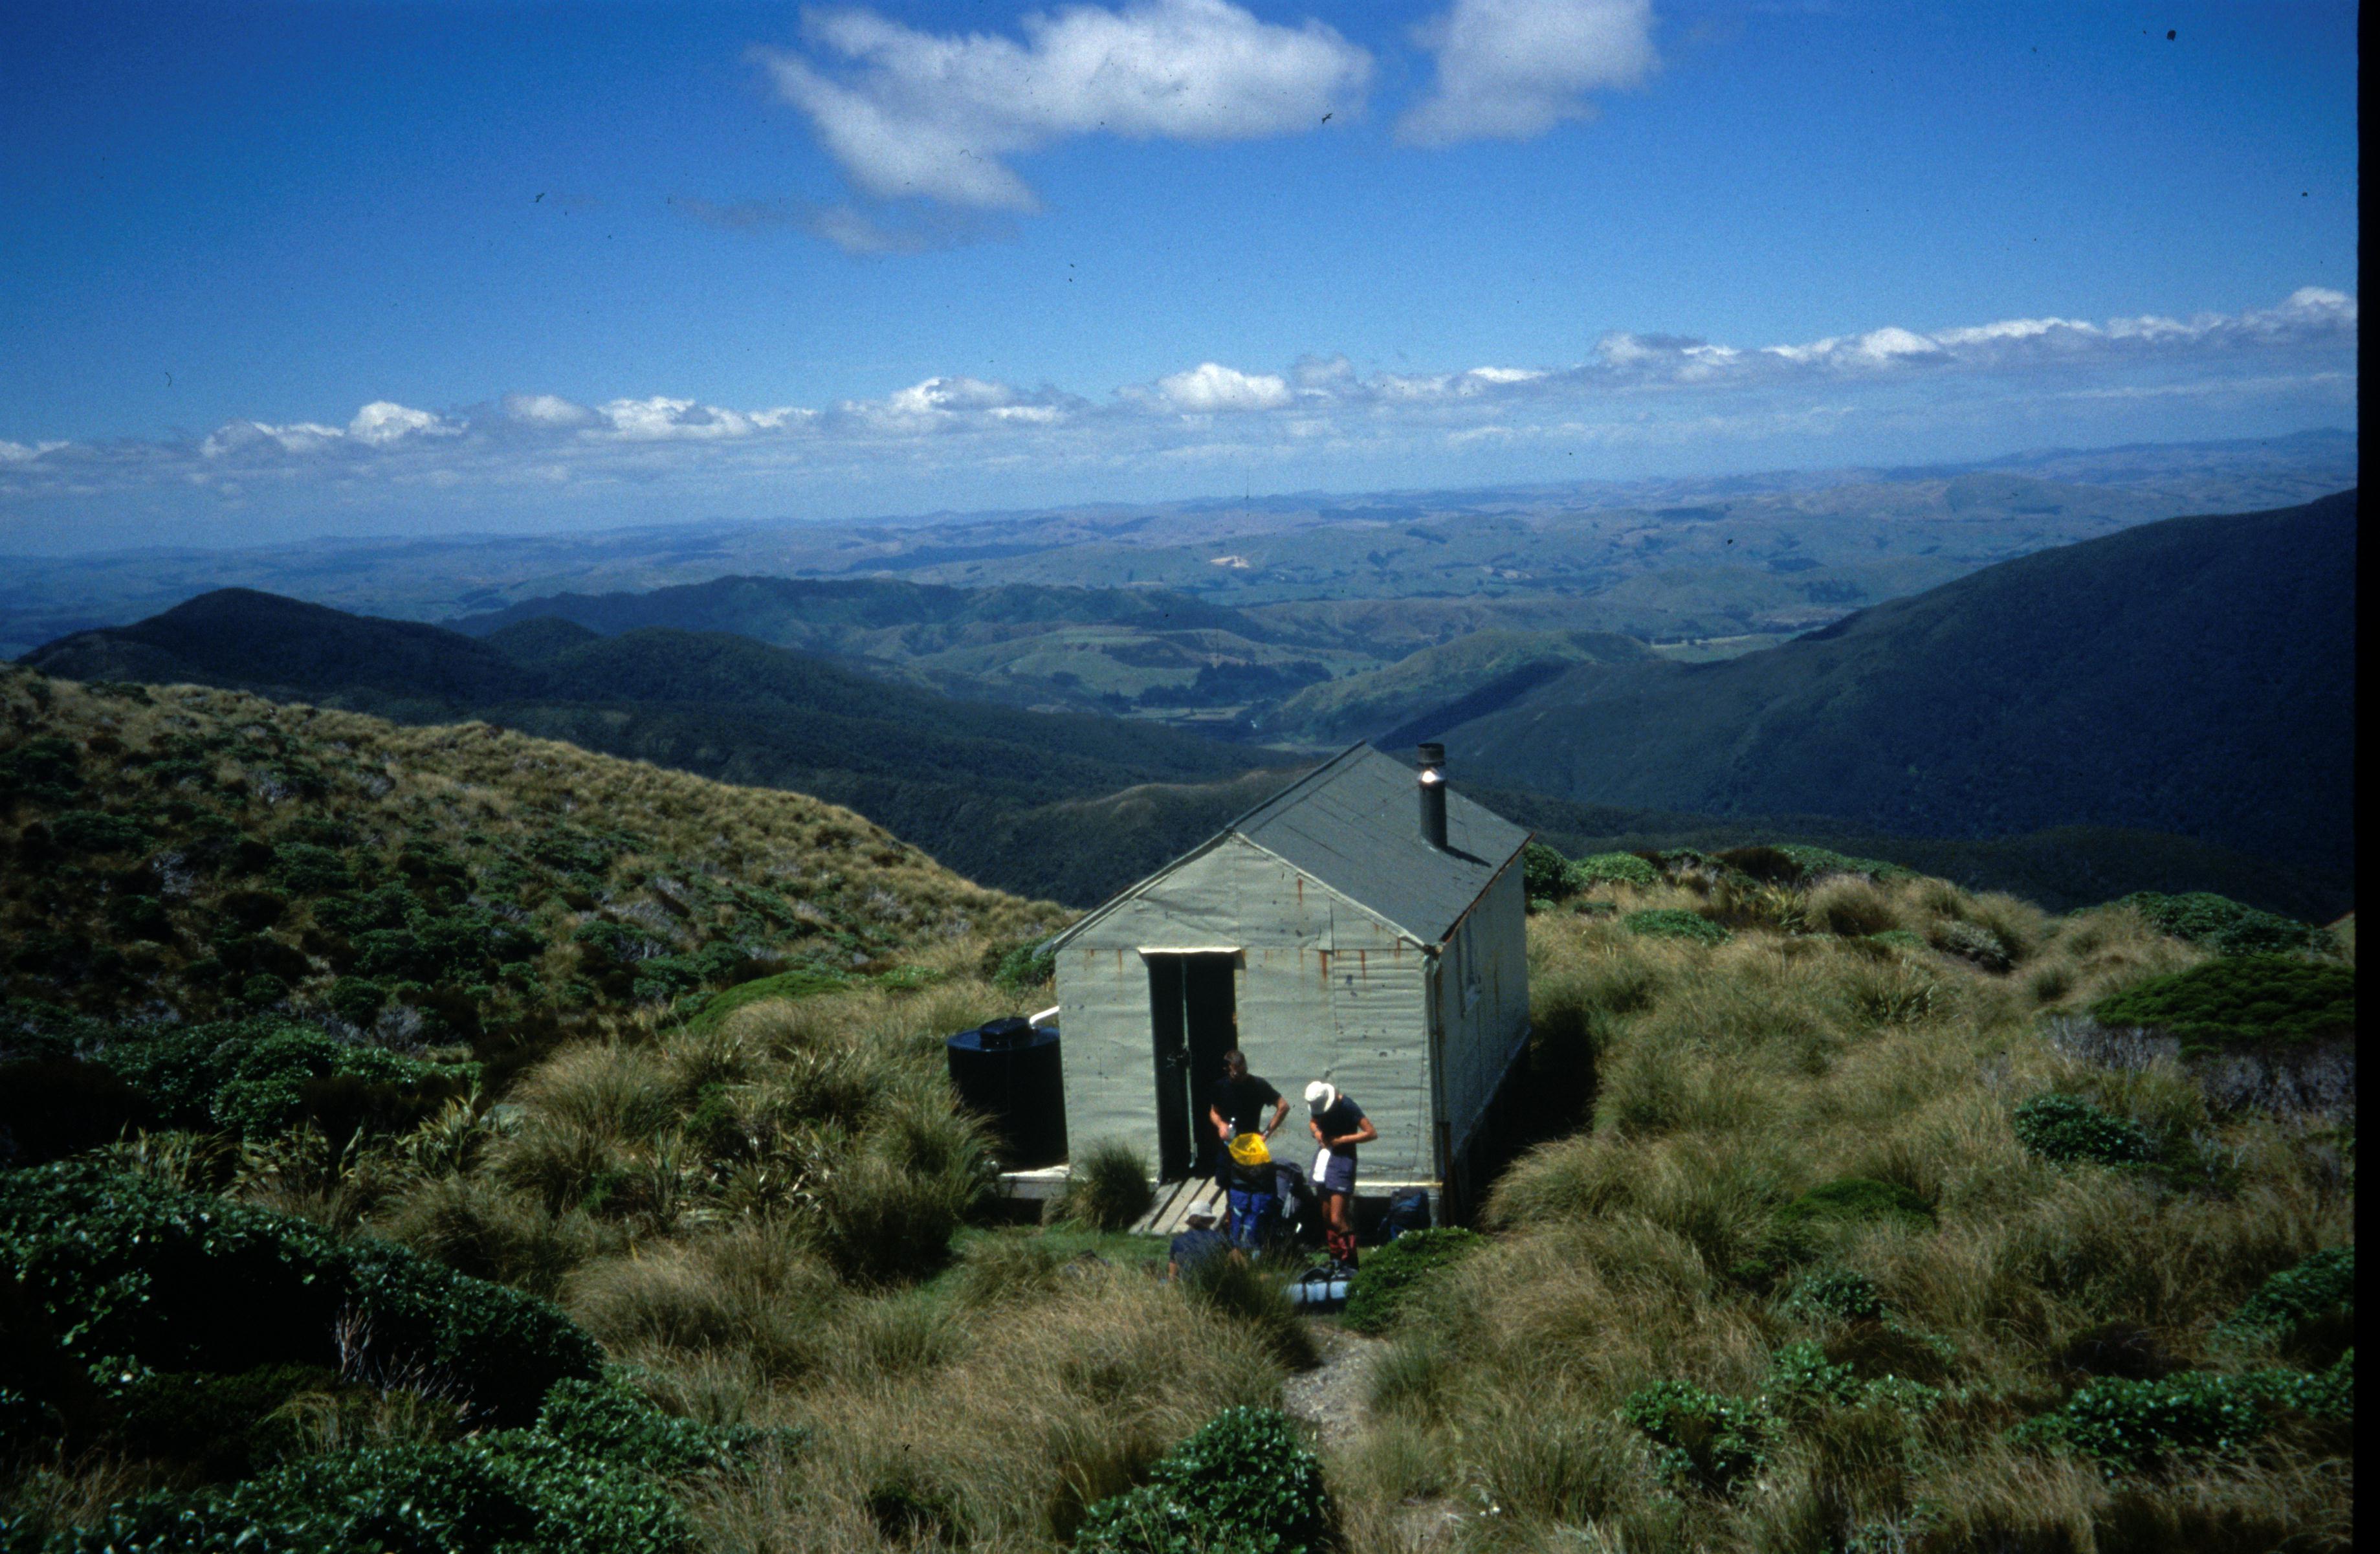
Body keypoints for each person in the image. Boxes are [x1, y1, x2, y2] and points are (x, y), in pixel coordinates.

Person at [1209, 1050, 1287, 1248]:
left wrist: (1266, 1133)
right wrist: (1220, 1125)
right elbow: (1214, 1112)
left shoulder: (1258, 1085)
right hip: (1229, 1146)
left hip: (1251, 1148)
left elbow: (1283, 1106)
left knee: (1254, 1193)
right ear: (1227, 1070)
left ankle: (1255, 1235)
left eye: (1244, 1071)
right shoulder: (1221, 1087)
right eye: (1237, 1073)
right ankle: (1233, 1236)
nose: (1242, 1077)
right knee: (1230, 1191)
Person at [1305, 1080, 1376, 1270]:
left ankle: (1351, 1263)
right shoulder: (1319, 1106)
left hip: (1343, 1160)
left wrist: (1342, 1140)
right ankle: (1335, 1261)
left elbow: (1371, 1133)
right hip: (1324, 1158)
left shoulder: (1347, 1106)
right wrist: (1318, 1133)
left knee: (1337, 1219)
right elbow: (1313, 1122)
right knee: (1327, 1217)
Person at [1167, 1210, 1234, 1281]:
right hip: (1215, 1282)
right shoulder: (1220, 1238)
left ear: (1190, 1222)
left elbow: (1172, 1274)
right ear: (1210, 1220)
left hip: (1188, 1283)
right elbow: (1231, 1262)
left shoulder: (1177, 1241)